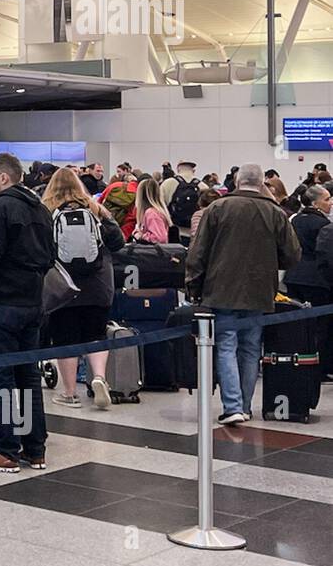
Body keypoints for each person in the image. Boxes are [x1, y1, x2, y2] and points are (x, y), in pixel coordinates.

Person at [186, 164, 301, 426]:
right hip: (260, 290)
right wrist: (271, 263)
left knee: (226, 345)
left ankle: (233, 406)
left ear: (237, 181)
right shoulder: (275, 212)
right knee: (251, 348)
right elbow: (293, 254)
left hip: (221, 289)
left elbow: (198, 252)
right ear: (262, 183)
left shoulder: (217, 208)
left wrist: (194, 285)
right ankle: (245, 406)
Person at [0, 153, 54, 472]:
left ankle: (4, 449)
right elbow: (50, 257)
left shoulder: (0, 208)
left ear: (4, 178)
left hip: (1, 303)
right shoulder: (40, 209)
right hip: (32, 302)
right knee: (28, 375)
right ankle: (35, 447)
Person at [42, 168, 126, 410]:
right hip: (99, 284)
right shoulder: (96, 208)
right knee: (96, 333)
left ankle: (69, 394)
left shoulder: (46, 210)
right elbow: (118, 242)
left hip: (62, 286)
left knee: (65, 337)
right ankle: (99, 378)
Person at [284, 186, 331, 373]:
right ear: (315, 203)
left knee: (297, 323)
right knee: (321, 326)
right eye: (327, 199)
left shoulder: (294, 220)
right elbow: (325, 254)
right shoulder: (322, 226)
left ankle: (296, 363)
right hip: (316, 280)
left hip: (293, 275)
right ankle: (319, 367)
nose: (331, 202)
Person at [132, 176, 172, 244]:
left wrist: (141, 236)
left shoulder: (152, 213)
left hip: (152, 253)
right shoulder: (157, 211)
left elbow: (159, 238)